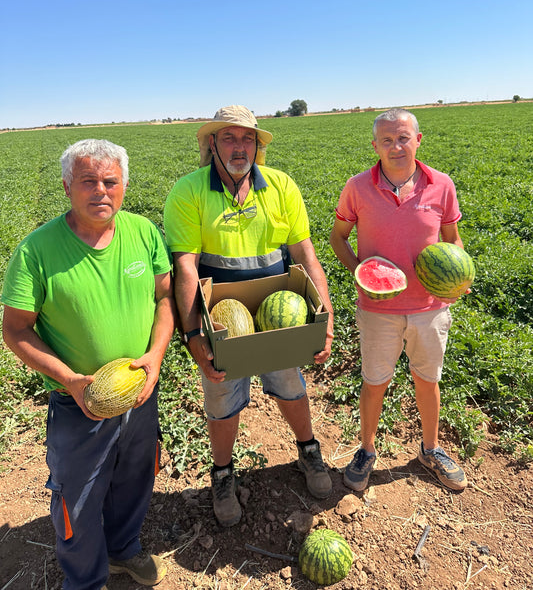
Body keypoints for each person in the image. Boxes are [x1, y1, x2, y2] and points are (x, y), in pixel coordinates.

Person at [1, 139, 176, 590]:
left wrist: (156, 355)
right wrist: (70, 379)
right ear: (66, 187)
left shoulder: (143, 232)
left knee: (136, 478)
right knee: (76, 500)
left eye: (110, 181)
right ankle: (85, 580)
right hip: (78, 404)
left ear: (124, 185)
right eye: (88, 181)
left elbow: (164, 298)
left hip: (139, 393)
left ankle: (122, 551)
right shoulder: (36, 251)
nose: (101, 190)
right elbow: (15, 330)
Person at [163, 105, 335, 527]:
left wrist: (324, 315)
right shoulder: (187, 192)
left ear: (257, 146)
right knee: (221, 398)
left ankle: (309, 450)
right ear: (211, 145)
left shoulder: (281, 186)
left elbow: (305, 254)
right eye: (229, 138)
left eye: (247, 139)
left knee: (290, 385)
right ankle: (222, 474)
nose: (239, 147)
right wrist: (192, 334)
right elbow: (186, 267)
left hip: (279, 317)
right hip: (222, 320)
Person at [329, 108, 468, 493]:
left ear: (418, 140)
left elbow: (452, 239)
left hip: (430, 308)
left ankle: (431, 449)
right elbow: (338, 237)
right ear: (375, 145)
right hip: (377, 310)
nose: (396, 146)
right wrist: (361, 272)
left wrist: (458, 276)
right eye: (387, 140)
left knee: (428, 381)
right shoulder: (356, 187)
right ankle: (366, 450)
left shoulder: (441, 185)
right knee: (375, 383)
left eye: (403, 137)